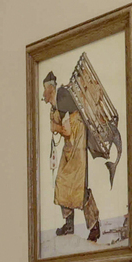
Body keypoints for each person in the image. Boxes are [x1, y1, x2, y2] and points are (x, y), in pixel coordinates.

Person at [46, 78, 99, 242]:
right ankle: (69, 225)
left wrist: (56, 127)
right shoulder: (56, 103)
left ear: (50, 89)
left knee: (78, 187)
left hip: (77, 141)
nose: (43, 94)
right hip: (71, 144)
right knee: (62, 182)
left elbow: (66, 130)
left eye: (45, 89)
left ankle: (94, 226)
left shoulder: (62, 98)